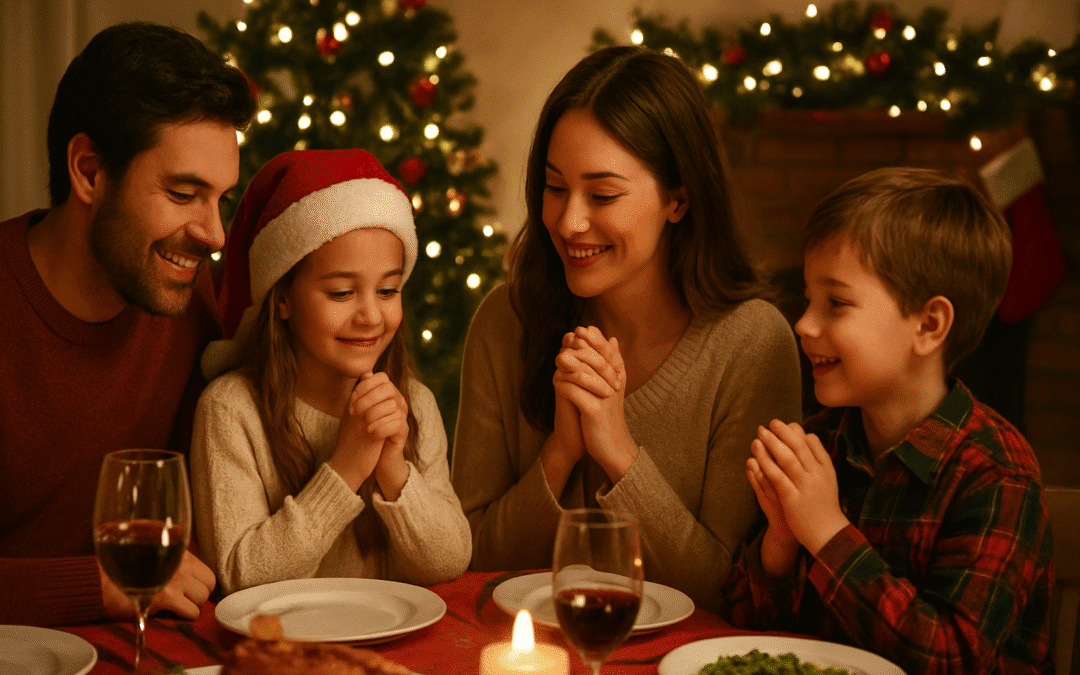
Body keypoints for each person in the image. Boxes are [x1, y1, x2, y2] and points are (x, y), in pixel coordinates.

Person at [450, 46, 801, 610]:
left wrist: (617, 451)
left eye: (604, 194)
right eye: (555, 186)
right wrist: (561, 453)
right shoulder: (505, 321)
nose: (568, 222)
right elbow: (471, 559)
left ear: (678, 199)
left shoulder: (752, 343)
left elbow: (727, 594)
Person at [723, 167, 1053, 674]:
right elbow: (744, 632)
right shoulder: (821, 442)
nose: (804, 324)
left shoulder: (994, 471)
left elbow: (951, 659)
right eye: (809, 299)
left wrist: (827, 532)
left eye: (836, 303)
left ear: (928, 324)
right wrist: (782, 544)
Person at [0, 22, 254, 626]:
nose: (214, 235)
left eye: (220, 198)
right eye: (184, 192)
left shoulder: (190, 301)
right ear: (89, 171)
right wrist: (94, 585)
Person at [191, 149, 471, 595]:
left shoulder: (413, 402)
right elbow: (240, 577)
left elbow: (448, 560)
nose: (371, 316)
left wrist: (393, 470)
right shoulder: (231, 409)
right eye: (341, 293)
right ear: (281, 299)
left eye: (388, 290)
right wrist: (346, 467)